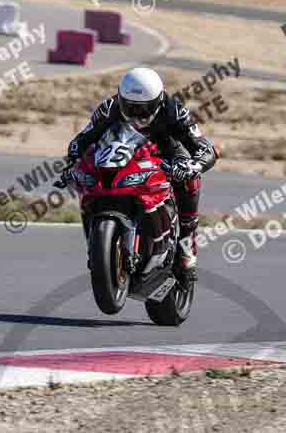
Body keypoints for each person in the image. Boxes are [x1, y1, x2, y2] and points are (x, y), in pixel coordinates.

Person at [64, 67, 217, 284]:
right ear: (121, 98)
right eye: (130, 107)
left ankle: (186, 243)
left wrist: (194, 165)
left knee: (190, 177)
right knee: (86, 172)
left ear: (158, 101)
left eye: (143, 109)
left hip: (166, 155)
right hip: (123, 155)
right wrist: (72, 160)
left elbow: (204, 146)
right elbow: (83, 138)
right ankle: (97, 244)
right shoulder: (110, 108)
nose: (136, 114)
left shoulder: (174, 111)